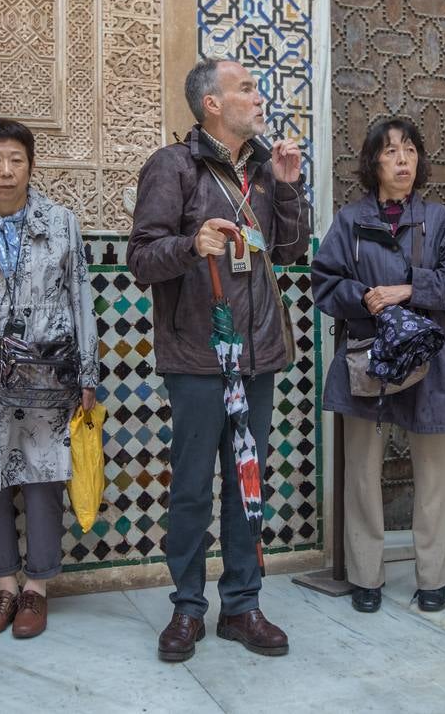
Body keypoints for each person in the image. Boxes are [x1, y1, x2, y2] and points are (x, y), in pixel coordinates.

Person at [128, 58, 312, 662]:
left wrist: (288, 187)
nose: (260, 99)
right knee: (190, 488)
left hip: (257, 354)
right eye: (247, 89)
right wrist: (190, 244)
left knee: (247, 484)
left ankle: (242, 606)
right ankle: (186, 609)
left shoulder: (261, 169)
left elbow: (286, 252)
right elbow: (142, 259)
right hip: (199, 355)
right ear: (212, 103)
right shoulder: (172, 166)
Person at [0, 118, 99, 640]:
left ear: (31, 165)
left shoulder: (61, 223)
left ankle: (38, 588)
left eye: (16, 160)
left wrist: (88, 375)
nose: (6, 172)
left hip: (47, 366)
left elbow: (80, 297)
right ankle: (4, 585)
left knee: (44, 477)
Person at [312, 118, 445, 614]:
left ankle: (432, 578)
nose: (402, 159)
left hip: (428, 359)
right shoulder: (349, 221)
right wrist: (365, 297)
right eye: (390, 152)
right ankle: (366, 576)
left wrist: (409, 289)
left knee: (432, 474)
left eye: (409, 150)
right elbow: (324, 284)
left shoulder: (439, 220)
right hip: (367, 359)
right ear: (373, 163)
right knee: (361, 472)